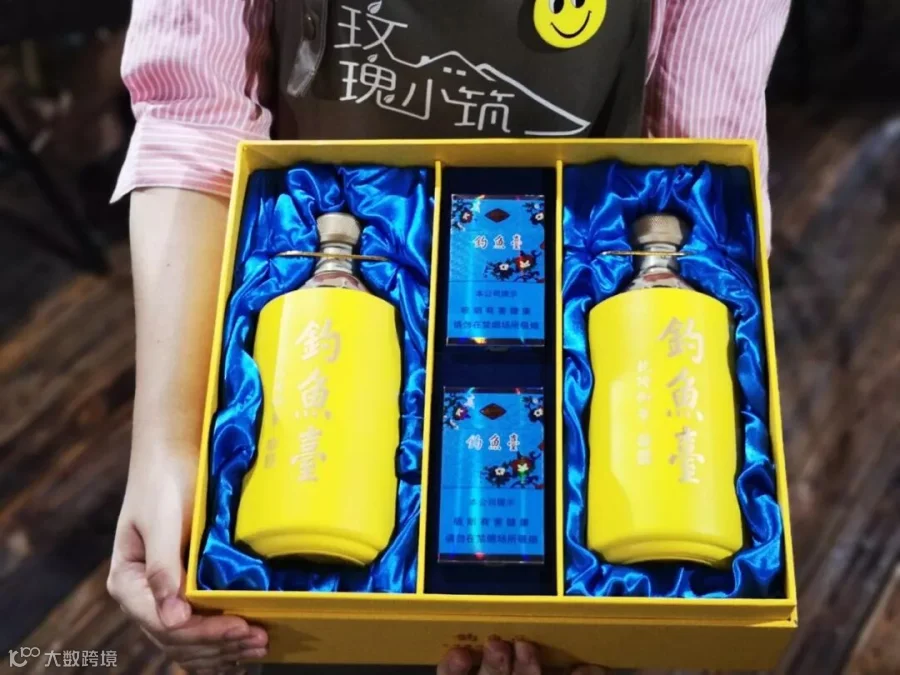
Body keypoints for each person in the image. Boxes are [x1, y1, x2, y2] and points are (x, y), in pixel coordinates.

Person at [106, 1, 789, 673]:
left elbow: (696, 148)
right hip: (352, 211)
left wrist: (658, 639)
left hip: (567, 226)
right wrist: (167, 443)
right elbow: (194, 114)